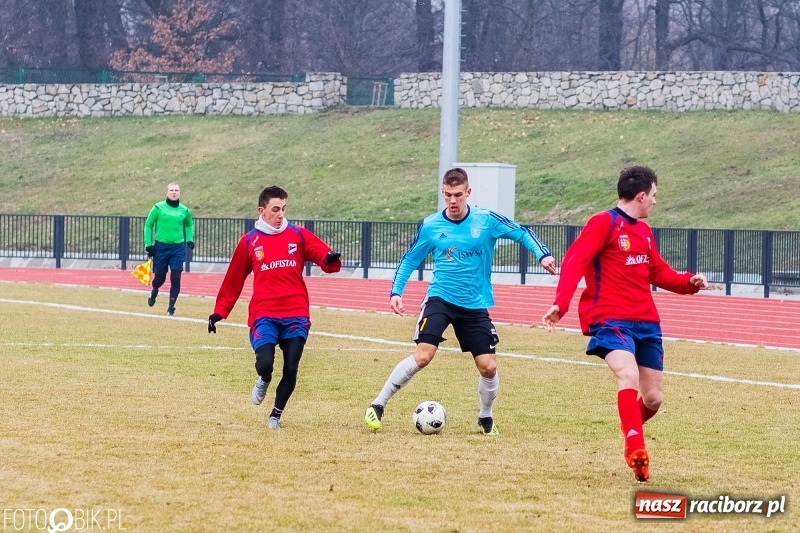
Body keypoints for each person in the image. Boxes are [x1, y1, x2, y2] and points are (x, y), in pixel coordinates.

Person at [541, 165, 708, 483]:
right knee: (627, 374)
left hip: (646, 323)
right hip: (610, 319)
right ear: (642, 196)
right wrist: (560, 304)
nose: (656, 202)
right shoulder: (604, 223)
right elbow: (575, 261)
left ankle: (629, 426)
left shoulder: (644, 232)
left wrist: (689, 282)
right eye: (655, 196)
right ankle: (635, 448)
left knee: (653, 399)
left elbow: (658, 272)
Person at [364, 167, 557, 435]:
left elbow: (521, 232)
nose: (452, 201)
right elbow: (410, 259)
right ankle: (378, 404)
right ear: (442, 194)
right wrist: (396, 292)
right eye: (447, 195)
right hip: (440, 298)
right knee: (423, 356)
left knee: (488, 366)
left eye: (457, 195)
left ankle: (485, 417)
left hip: (475, 304)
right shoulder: (431, 225)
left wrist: (542, 254)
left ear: (468, 192)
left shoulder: (486, 220)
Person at [207, 185, 342, 429]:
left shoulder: (298, 234)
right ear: (262, 210)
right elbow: (234, 278)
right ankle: (264, 378)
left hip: (296, 313)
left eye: (284, 209)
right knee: (265, 364)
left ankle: (275, 415)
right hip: (264, 314)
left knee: (291, 367)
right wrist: (220, 311)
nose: (281, 214)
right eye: (275, 209)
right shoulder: (249, 241)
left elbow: (324, 255)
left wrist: (330, 259)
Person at [143, 182, 195, 316]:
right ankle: (154, 290)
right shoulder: (158, 208)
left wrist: (189, 239)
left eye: (176, 190)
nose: (174, 192)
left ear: (179, 193)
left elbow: (189, 225)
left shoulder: (184, 210)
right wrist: (148, 244)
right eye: (171, 190)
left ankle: (171, 308)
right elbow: (148, 225)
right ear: (167, 192)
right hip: (161, 247)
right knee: (159, 279)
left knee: (176, 276)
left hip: (178, 247)